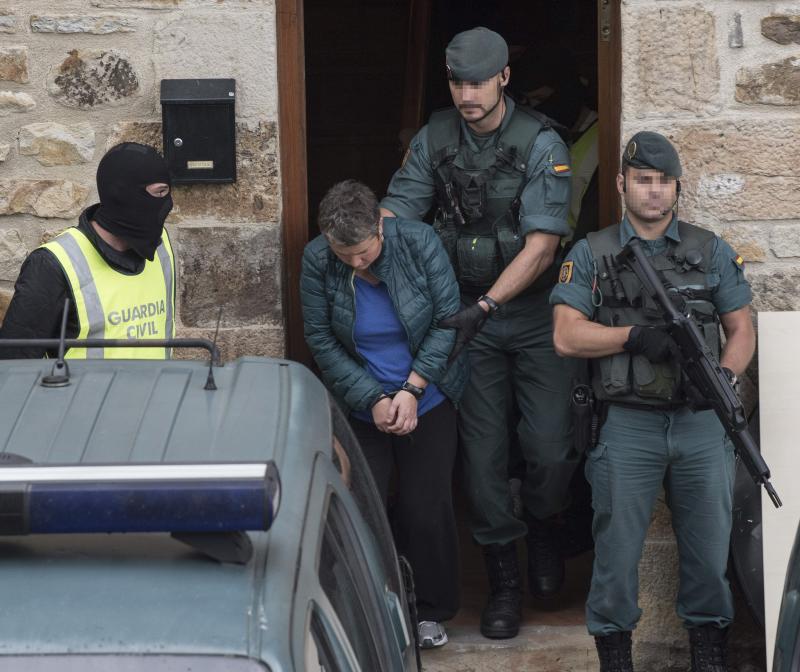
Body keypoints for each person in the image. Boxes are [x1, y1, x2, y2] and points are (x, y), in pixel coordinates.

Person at [380, 26, 580, 639]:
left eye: (478, 82)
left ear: (503, 79)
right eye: (457, 82)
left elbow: (544, 247)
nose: (467, 94)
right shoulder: (434, 138)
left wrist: (488, 304)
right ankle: (504, 583)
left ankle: (544, 527)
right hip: (464, 320)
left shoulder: (541, 142)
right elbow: (395, 216)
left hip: (529, 314)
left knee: (549, 448)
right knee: (484, 459)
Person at [550, 131, 755, 672]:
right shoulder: (592, 253)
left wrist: (724, 377)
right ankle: (616, 659)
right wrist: (632, 338)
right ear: (622, 184)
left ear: (677, 187)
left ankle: (707, 658)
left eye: (664, 182)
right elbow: (566, 335)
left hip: (700, 424)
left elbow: (741, 328)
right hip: (627, 426)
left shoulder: (709, 250)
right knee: (616, 558)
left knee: (710, 557)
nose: (654, 192)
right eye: (643, 180)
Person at [300, 180, 468, 649]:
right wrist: (372, 398)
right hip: (361, 405)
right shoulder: (317, 259)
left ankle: (431, 612)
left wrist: (413, 389)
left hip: (428, 395)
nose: (355, 261)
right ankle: (368, 613)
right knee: (360, 508)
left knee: (425, 506)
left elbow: (447, 322)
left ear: (381, 225)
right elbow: (321, 340)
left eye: (363, 251)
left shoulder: (419, 242)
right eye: (343, 252)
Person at [0, 142, 175, 360]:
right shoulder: (53, 264)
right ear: (124, 195)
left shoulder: (161, 246)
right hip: (85, 395)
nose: (167, 204)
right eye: (159, 193)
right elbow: (13, 368)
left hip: (161, 391)